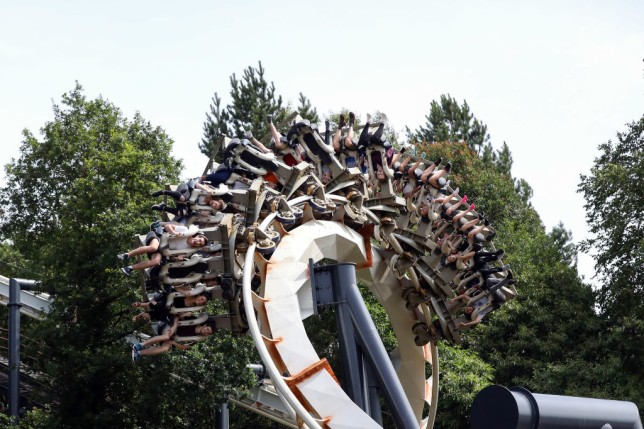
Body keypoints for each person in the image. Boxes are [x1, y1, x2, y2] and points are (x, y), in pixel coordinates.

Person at [117, 224, 207, 276]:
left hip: (162, 249)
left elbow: (171, 257)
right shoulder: (185, 231)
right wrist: (174, 233)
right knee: (153, 247)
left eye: (200, 244)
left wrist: (176, 258)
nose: (198, 242)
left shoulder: (187, 250)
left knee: (156, 262)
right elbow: (167, 226)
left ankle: (129, 268)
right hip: (158, 236)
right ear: (198, 236)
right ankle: (126, 255)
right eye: (199, 240)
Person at [131, 316, 215, 361]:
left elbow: (184, 347)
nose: (205, 331)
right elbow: (177, 317)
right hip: (168, 325)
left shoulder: (196, 339)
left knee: (165, 348)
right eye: (207, 329)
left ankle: (139, 353)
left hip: (172, 338)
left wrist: (174, 343)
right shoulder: (194, 320)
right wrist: (174, 327)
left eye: (208, 333)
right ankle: (140, 345)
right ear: (205, 325)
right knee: (166, 336)